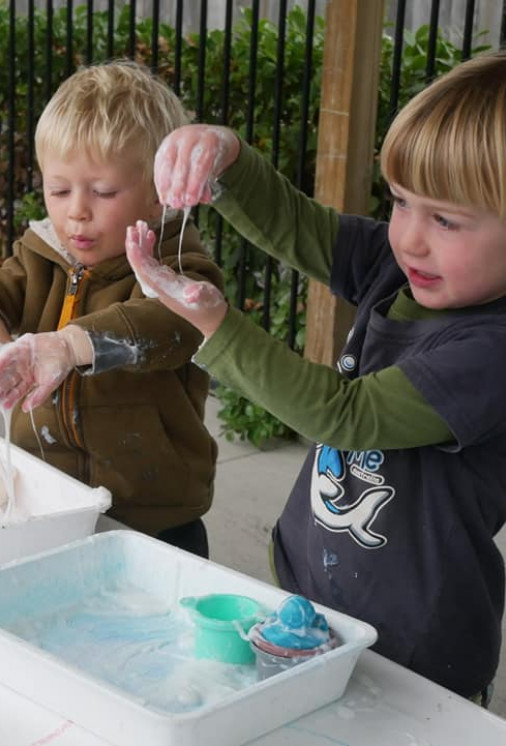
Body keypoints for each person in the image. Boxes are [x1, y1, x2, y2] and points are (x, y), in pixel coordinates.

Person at [124, 51, 506, 704]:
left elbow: (346, 415)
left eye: (445, 219)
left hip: (418, 650)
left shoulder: (491, 350)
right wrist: (226, 157)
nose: (409, 238)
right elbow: (300, 228)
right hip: (316, 597)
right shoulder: (402, 266)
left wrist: (216, 327)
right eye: (402, 202)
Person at [0, 60, 223, 557]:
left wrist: (68, 346)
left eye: (103, 191)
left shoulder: (177, 265)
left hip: (153, 521)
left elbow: (172, 324)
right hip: (45, 504)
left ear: (157, 196)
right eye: (59, 189)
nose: (76, 211)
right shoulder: (42, 258)